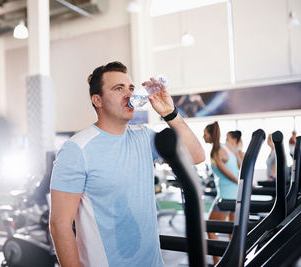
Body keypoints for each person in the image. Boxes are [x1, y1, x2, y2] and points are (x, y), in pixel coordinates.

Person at [49, 61, 205, 266]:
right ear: (98, 100)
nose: (129, 95)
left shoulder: (143, 137)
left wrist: (170, 113)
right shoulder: (76, 149)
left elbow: (196, 155)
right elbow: (59, 225)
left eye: (131, 88)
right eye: (118, 88)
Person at [203, 121, 239, 265]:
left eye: (205, 134)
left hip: (226, 197)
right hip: (235, 195)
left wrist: (241, 182)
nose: (203, 137)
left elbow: (229, 173)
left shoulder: (217, 151)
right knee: (232, 232)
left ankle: (218, 262)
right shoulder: (226, 148)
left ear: (211, 136)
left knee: (210, 227)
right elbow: (238, 164)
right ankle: (234, 261)